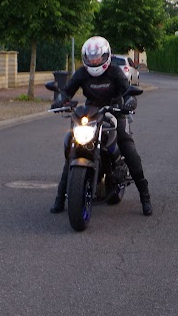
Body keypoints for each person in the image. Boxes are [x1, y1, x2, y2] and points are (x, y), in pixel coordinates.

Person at [50, 35, 152, 216]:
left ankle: (145, 197)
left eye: (97, 57)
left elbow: (128, 92)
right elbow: (67, 91)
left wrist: (129, 102)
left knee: (128, 149)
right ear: (86, 57)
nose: (94, 61)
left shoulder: (114, 72)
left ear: (106, 56)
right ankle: (60, 199)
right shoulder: (82, 73)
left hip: (114, 111)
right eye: (91, 58)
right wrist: (60, 100)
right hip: (91, 112)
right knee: (74, 148)